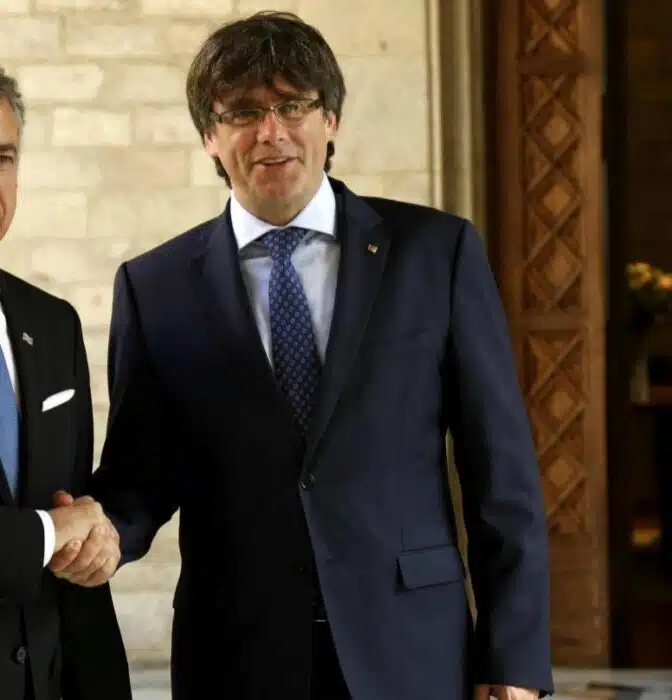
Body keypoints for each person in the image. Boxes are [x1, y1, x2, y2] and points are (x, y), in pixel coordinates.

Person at [52, 11, 553, 700]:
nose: (272, 131)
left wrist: (513, 660)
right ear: (209, 136)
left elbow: (502, 472)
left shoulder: (435, 253)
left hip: (409, 647)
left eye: (293, 105)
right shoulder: (155, 286)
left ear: (331, 120)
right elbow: (142, 471)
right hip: (237, 655)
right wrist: (100, 530)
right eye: (242, 112)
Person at [0, 69, 132, 700]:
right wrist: (56, 532)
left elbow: (74, 511)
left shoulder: (52, 325)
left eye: (2, 157)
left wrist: (95, 541)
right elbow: (63, 524)